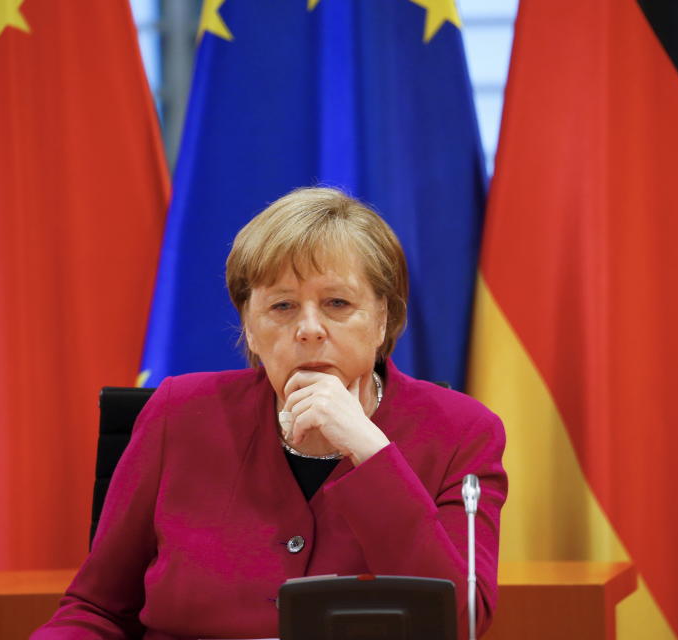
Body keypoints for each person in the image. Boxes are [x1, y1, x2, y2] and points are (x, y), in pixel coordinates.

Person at [33, 187, 507, 639]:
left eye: (337, 303)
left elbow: (459, 623)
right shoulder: (178, 416)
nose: (309, 329)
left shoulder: (461, 433)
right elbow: (96, 609)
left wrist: (369, 450)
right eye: (282, 306)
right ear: (250, 329)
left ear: (383, 318)